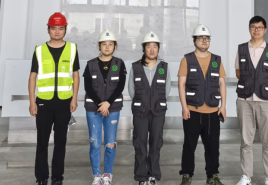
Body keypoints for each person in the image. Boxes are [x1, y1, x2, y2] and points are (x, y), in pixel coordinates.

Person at [28, 12, 80, 185]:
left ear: (65, 29)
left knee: (60, 143)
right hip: (43, 103)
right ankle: (41, 177)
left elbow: (75, 75)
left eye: (61, 28)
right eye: (53, 28)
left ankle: (57, 178)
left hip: (64, 103)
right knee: (42, 142)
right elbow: (33, 76)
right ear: (48, 29)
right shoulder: (39, 50)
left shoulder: (72, 49)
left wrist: (74, 99)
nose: (57, 31)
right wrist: (32, 102)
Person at [235, 16, 268, 185]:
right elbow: (238, 73)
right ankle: (246, 176)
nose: (256, 30)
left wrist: (265, 90)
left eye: (259, 27)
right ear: (249, 29)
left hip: (267, 103)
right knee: (245, 141)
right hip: (245, 100)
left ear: (265, 30)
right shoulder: (241, 49)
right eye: (253, 27)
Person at [178, 24, 227, 185]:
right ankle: (186, 175)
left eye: (207, 38)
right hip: (192, 111)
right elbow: (181, 85)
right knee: (189, 145)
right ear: (194, 40)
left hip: (212, 111)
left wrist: (223, 106)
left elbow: (221, 84)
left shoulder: (216, 60)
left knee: (213, 146)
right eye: (201, 38)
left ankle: (212, 176)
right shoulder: (187, 59)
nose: (204, 41)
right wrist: (184, 107)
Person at [84, 30, 127, 185]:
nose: (107, 47)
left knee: (110, 143)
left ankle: (107, 175)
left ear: (114, 46)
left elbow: (120, 86)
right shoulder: (90, 64)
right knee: (95, 142)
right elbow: (88, 87)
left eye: (110, 44)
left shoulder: (119, 63)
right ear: (99, 46)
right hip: (93, 109)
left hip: (113, 108)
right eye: (104, 44)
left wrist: (108, 103)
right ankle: (97, 176)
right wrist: (100, 104)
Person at [128, 31, 172, 185]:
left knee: (156, 143)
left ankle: (153, 175)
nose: (152, 50)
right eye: (149, 46)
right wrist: (143, 101)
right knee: (139, 143)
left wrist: (155, 101)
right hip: (140, 111)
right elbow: (131, 90)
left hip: (158, 111)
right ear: (144, 48)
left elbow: (167, 88)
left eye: (155, 47)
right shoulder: (136, 67)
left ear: (158, 49)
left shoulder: (164, 67)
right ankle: (141, 176)